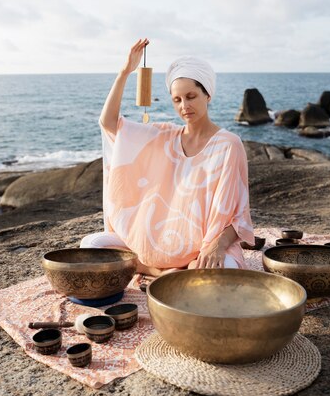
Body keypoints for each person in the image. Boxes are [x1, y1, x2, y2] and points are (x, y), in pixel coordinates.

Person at [80, 39, 255, 276]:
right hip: (152, 245)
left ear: (208, 95)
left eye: (191, 96)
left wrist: (217, 245)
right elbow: (109, 123)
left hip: (201, 250)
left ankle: (170, 270)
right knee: (91, 245)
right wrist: (125, 72)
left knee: (220, 270)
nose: (185, 106)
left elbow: (238, 214)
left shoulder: (228, 144)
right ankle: (157, 272)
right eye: (177, 99)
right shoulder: (163, 136)